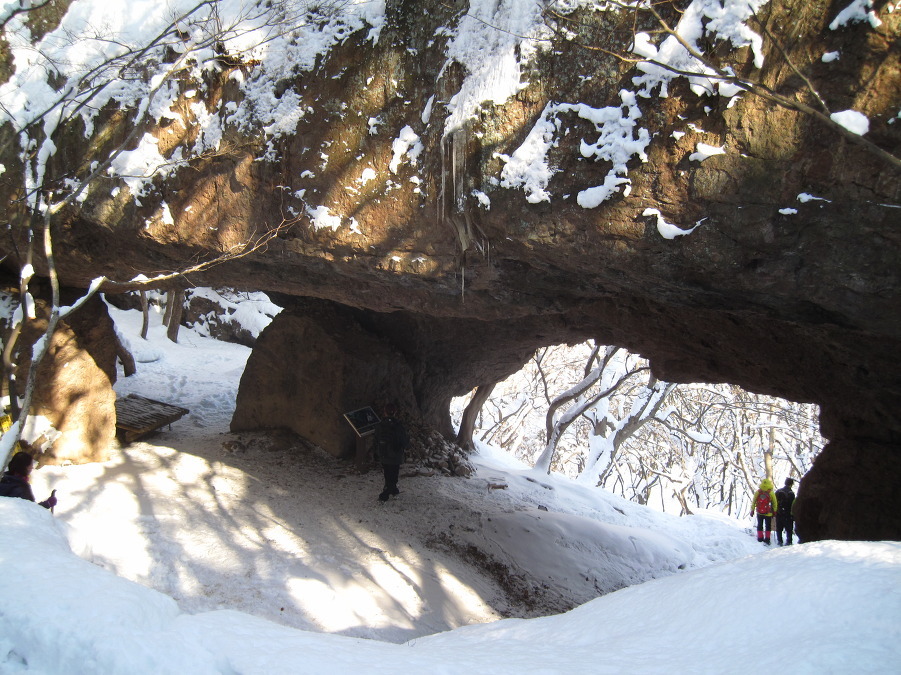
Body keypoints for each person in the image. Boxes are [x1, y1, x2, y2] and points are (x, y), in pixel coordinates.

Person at [374, 403, 408, 502]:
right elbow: (404, 440)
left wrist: (376, 453)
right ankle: (387, 493)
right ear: (395, 412)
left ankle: (391, 490)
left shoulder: (380, 425)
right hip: (396, 454)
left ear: (384, 412)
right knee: (394, 473)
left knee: (387, 473)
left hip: (384, 454)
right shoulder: (399, 425)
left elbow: (376, 440)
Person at [750, 478, 778, 545]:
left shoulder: (758, 492)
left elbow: (754, 501)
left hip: (759, 512)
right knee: (768, 526)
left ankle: (760, 538)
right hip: (768, 513)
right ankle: (767, 539)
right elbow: (774, 502)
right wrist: (774, 511)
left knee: (760, 525)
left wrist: (752, 510)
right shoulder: (771, 492)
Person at [775, 477, 796, 546]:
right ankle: (789, 541)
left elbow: (774, 502)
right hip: (788, 514)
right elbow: (793, 505)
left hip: (779, 513)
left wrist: (775, 510)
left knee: (779, 528)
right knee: (789, 529)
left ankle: (779, 541)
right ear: (791, 484)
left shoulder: (778, 491)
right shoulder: (791, 493)